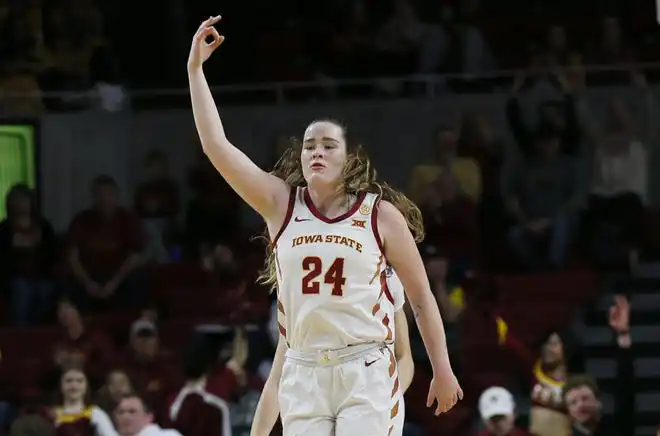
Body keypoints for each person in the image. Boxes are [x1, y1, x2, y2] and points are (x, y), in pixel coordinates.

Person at [187, 15, 461, 436]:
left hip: (365, 366)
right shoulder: (280, 204)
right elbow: (216, 146)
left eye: (328, 145)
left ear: (348, 159)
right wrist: (195, 71)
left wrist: (441, 368)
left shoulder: (379, 214)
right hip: (303, 369)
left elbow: (422, 297)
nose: (316, 151)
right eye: (309, 145)